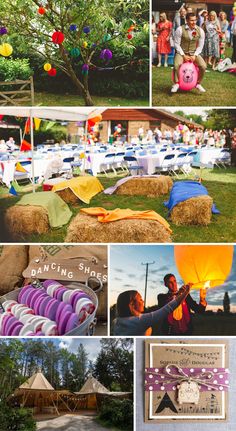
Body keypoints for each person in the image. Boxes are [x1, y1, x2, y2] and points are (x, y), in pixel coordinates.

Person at [112, 285, 190, 336]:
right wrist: (185, 292)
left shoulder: (116, 321)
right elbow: (167, 309)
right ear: (132, 304)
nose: (143, 301)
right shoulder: (140, 320)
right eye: (140, 299)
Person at [172, 12, 206, 93]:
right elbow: (176, 44)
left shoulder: (200, 31)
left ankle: (198, 83)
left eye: (195, 20)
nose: (194, 22)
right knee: (176, 65)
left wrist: (195, 55)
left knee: (203, 66)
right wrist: (183, 55)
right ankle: (176, 83)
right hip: (181, 52)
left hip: (193, 53)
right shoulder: (180, 29)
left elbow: (200, 46)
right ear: (187, 20)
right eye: (191, 20)